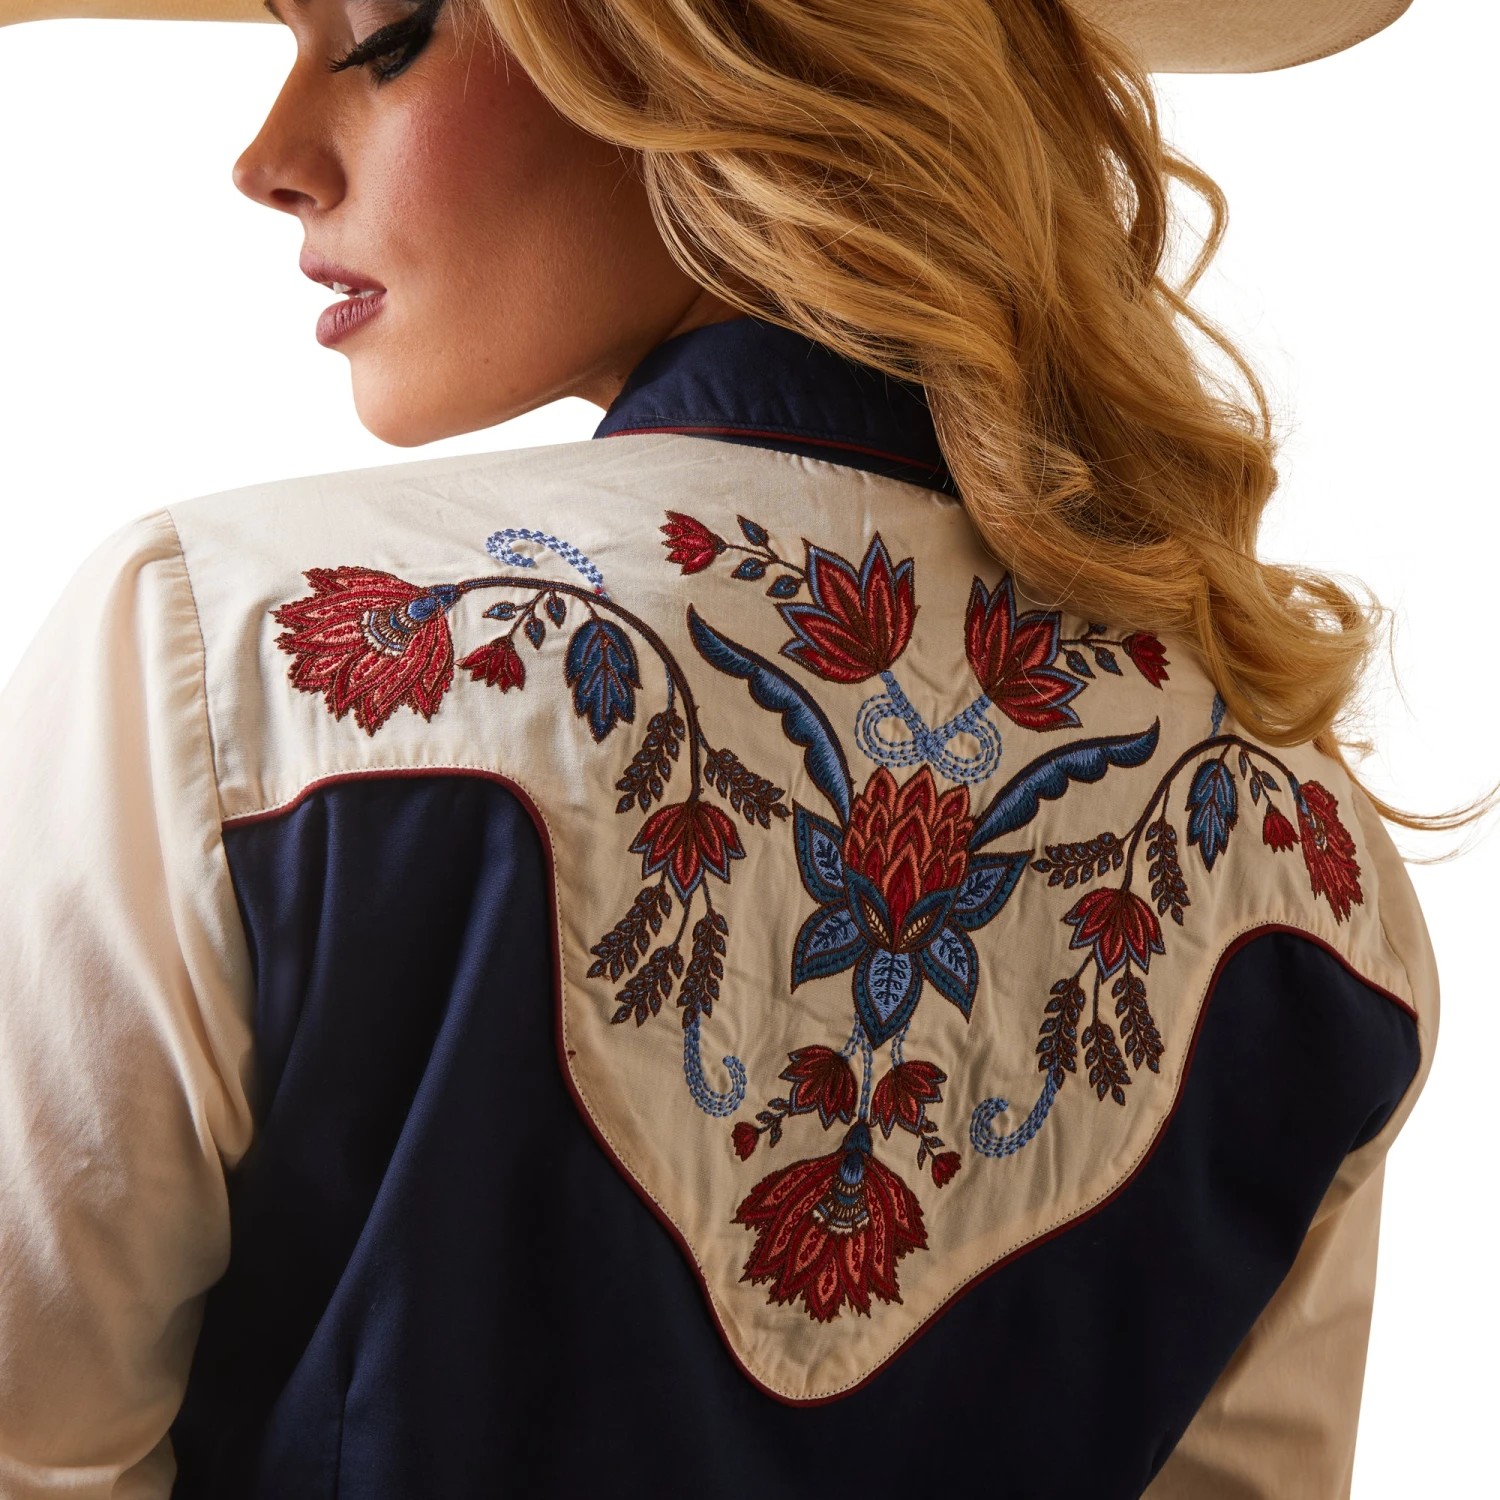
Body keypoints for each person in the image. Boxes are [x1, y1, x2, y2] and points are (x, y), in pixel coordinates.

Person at [0, 0, 1448, 1495]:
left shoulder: (230, 657)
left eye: (378, 32)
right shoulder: (1308, 859)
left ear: (697, 44)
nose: (268, 157)